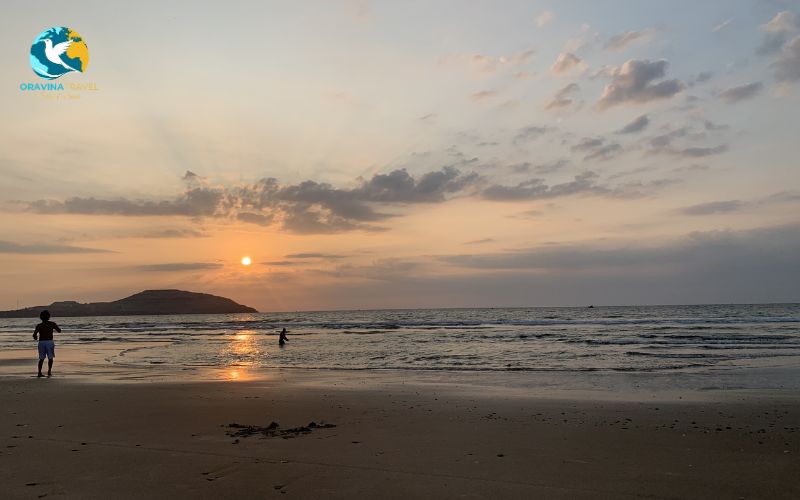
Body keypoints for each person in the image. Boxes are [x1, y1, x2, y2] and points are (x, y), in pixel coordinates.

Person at [33, 310, 61, 378]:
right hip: (49, 342)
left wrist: (35, 337)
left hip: (41, 342)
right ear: (49, 317)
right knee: (50, 358)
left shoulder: (39, 325)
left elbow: (34, 334)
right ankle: (49, 371)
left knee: (41, 358)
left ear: (41, 317)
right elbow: (59, 331)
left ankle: (39, 372)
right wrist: (56, 328)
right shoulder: (52, 324)